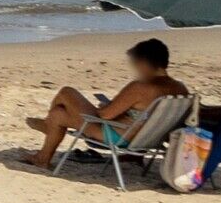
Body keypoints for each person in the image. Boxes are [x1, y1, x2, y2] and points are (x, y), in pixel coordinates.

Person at [27, 38, 184, 170]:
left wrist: (106, 107)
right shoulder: (180, 88)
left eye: (135, 63)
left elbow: (105, 115)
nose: (135, 68)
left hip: (118, 136)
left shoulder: (141, 87)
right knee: (58, 115)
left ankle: (47, 128)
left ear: (143, 63)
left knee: (66, 92)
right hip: (150, 138)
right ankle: (42, 158)